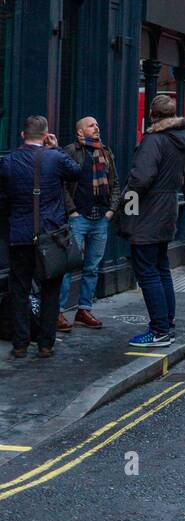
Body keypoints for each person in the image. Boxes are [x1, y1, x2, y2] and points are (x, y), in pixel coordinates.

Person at [0, 115, 80, 357]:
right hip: (51, 236)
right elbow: (76, 172)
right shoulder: (56, 158)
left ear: (23, 135)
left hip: (20, 235)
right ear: (46, 136)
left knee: (20, 289)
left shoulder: (9, 162)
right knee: (50, 289)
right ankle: (46, 344)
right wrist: (55, 148)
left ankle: (20, 344)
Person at [118, 94, 185, 348]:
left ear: (151, 114)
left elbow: (141, 179)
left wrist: (124, 202)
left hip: (148, 213)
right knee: (161, 269)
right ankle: (166, 326)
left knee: (147, 272)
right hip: (167, 210)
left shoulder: (154, 140)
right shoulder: (180, 138)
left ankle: (159, 331)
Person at [58, 116, 121, 331]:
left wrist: (111, 211)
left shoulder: (106, 152)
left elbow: (115, 184)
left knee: (92, 268)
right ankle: (58, 312)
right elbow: (62, 185)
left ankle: (83, 310)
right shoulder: (71, 151)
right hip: (78, 218)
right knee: (67, 266)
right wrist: (71, 211)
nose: (97, 127)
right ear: (80, 132)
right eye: (91, 125)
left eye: (97, 124)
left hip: (100, 219)